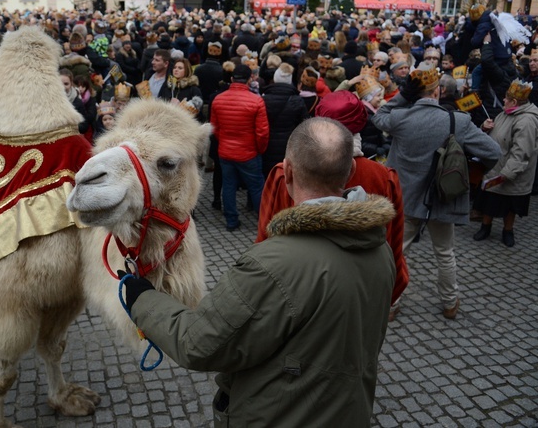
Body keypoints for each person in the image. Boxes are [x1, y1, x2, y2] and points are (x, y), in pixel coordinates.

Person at [120, 118, 395, 427]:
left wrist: (142, 299)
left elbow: (198, 343)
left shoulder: (272, 264)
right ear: (350, 171)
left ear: (287, 172)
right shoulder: (378, 246)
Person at [258, 91, 409, 321]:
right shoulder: (383, 176)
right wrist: (389, 293)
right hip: (360, 290)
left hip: (297, 286)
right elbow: (392, 242)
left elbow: (265, 238)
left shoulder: (285, 173)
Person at [372, 63, 502, 319]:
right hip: (443, 196)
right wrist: (472, 169)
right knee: (445, 253)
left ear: (414, 94)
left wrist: (402, 96)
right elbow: (493, 152)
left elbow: (379, 115)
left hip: (407, 198)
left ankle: (390, 303)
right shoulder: (458, 120)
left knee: (397, 252)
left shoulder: (400, 118)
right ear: (437, 92)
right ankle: (449, 302)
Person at [472, 80, 538, 247]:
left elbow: (521, 153)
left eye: (506, 98)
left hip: (512, 173)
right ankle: (485, 227)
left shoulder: (526, 122)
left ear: (514, 102)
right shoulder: (505, 113)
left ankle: (508, 231)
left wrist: (506, 174)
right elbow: (496, 135)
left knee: (510, 205)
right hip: (496, 169)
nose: (503, 100)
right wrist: (485, 127)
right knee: (490, 202)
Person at [210, 64, 269, 231]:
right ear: (250, 79)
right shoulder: (257, 101)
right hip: (249, 152)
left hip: (226, 151)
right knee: (257, 186)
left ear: (231, 79)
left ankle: (231, 220)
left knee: (228, 185)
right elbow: (262, 132)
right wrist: (259, 149)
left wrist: (225, 142)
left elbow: (215, 127)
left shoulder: (218, 99)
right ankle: (264, 221)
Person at [260, 62, 307, 177]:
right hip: (289, 146)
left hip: (267, 146)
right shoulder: (297, 100)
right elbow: (304, 125)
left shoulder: (263, 100)